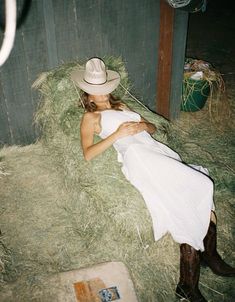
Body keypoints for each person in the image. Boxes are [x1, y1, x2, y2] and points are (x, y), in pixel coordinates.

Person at [71, 57, 235, 302]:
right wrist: (118, 134)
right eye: (96, 91)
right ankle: (202, 267)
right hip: (139, 158)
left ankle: (201, 267)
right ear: (87, 92)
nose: (102, 94)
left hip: (156, 151)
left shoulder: (122, 105)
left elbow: (153, 129)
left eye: (104, 88)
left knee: (195, 194)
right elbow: (87, 154)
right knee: (203, 185)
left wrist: (143, 125)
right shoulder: (90, 118)